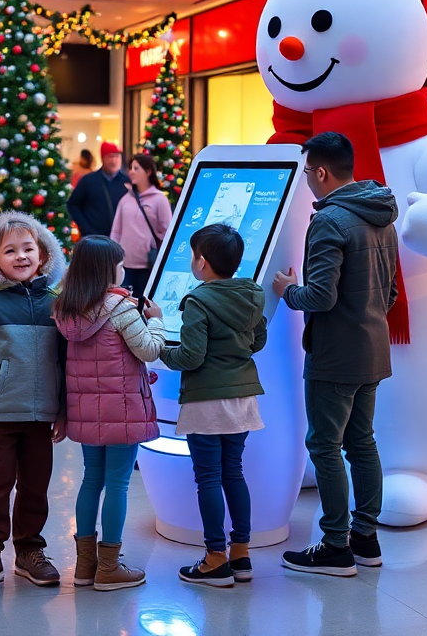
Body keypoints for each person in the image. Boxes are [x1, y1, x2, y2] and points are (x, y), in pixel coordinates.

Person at [273, 131, 399, 577]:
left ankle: (334, 546)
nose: (307, 180)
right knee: (362, 443)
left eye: (307, 172)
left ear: (320, 172)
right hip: (372, 348)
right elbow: (390, 292)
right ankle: (366, 539)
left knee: (325, 447)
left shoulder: (330, 221)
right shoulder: (379, 211)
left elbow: (320, 298)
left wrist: (288, 290)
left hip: (334, 355)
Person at [0, 212, 68, 589]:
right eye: (10, 251)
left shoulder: (55, 304)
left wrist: (65, 408)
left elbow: (64, 359)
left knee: (36, 483)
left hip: (42, 412)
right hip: (0, 409)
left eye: (28, 249)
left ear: (43, 255)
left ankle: (29, 550)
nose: (21, 256)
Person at [53, 235, 165, 590]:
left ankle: (85, 566)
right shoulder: (120, 308)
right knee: (118, 483)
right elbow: (148, 350)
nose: (123, 269)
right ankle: (110, 568)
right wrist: (157, 321)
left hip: (85, 410)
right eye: (119, 264)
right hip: (123, 410)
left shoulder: (66, 309)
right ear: (107, 269)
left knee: (91, 480)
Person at [159, 223, 267, 587]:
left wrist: (159, 347)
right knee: (233, 473)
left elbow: (191, 356)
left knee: (208, 477)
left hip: (206, 401)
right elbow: (258, 340)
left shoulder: (197, 301)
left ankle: (214, 559)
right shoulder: (251, 295)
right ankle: (241, 555)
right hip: (242, 397)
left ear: (202, 262)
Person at [110, 153, 172, 296]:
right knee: (125, 303)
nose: (131, 172)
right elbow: (116, 231)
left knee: (144, 304)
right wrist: (112, 257)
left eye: (136, 168)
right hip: (124, 265)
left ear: (148, 171)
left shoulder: (159, 199)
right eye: (131, 168)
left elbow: (167, 231)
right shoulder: (125, 199)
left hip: (148, 265)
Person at [68, 141, 128, 237]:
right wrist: (86, 228)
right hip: (95, 240)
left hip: (121, 239)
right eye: (110, 157)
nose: (114, 161)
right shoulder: (88, 181)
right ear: (103, 158)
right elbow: (73, 204)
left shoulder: (127, 182)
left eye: (116, 156)